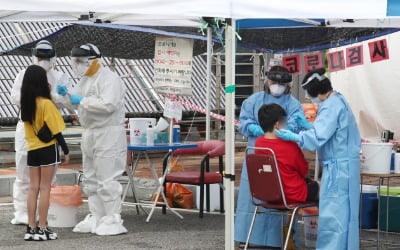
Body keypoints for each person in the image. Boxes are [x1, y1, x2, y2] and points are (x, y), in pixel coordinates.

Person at [275, 68, 361, 250]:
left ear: (316, 91)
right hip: (345, 167)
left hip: (338, 170)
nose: (309, 98)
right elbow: (326, 132)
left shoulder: (330, 106)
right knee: (345, 218)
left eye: (309, 94)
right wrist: (308, 128)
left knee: (334, 218)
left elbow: (316, 139)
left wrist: (295, 136)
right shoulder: (338, 99)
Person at [56, 43, 127, 236]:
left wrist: (82, 100)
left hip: (108, 132)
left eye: (81, 61)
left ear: (94, 60)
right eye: (75, 61)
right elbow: (75, 102)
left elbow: (109, 105)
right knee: (91, 178)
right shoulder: (85, 80)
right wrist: (65, 97)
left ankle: (113, 217)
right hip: (89, 132)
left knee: (107, 177)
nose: (78, 65)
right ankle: (97, 216)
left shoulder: (110, 79)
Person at [235, 66, 305, 248]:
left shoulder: (293, 104)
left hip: (275, 157)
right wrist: (255, 129)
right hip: (257, 155)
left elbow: (297, 125)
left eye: (282, 83)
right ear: (267, 80)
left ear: (288, 84)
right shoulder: (253, 100)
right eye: (274, 82)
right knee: (257, 195)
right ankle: (246, 237)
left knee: (274, 195)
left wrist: (286, 130)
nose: (277, 86)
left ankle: (278, 238)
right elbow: (244, 122)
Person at [10, 40, 71, 225]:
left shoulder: (60, 76)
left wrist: (55, 96)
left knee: (48, 175)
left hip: (48, 128)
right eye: (40, 57)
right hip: (27, 126)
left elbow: (66, 100)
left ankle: (45, 211)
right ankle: (22, 212)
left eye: (46, 57)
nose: (43, 60)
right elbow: (15, 97)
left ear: (53, 57)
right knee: (23, 172)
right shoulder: (24, 73)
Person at [20, 65, 70, 241]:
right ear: (42, 82)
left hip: (32, 150)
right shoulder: (46, 104)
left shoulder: (25, 104)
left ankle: (31, 228)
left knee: (33, 188)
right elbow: (57, 130)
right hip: (48, 149)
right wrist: (66, 150)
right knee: (45, 188)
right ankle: (43, 227)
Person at [255, 104, 319, 203]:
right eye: (285, 122)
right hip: (294, 194)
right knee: (323, 188)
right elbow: (304, 170)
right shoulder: (289, 145)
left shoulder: (258, 143)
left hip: (269, 195)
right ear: (277, 125)